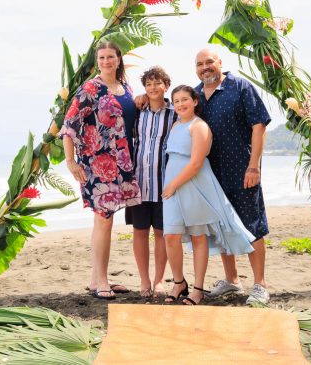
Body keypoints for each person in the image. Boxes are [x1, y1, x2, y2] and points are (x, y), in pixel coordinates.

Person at [60, 41, 141, 300]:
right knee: (104, 220)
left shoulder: (126, 88)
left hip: (123, 163)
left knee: (104, 221)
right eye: (102, 57)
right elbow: (69, 126)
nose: (106, 61)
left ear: (119, 59)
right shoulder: (91, 89)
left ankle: (97, 279)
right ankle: (102, 281)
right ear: (97, 61)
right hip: (97, 165)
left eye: (110, 57)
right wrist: (70, 161)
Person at [161, 85, 256, 306]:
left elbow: (196, 163)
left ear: (195, 101)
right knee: (171, 236)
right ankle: (179, 282)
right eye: (176, 101)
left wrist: (173, 184)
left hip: (194, 185)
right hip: (172, 185)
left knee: (198, 236)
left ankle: (198, 289)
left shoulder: (199, 126)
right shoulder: (175, 125)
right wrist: (170, 184)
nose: (180, 104)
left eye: (185, 99)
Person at [194, 48, 273, 305]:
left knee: (252, 225)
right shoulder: (195, 95)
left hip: (242, 170)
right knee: (221, 227)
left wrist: (254, 166)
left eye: (209, 62)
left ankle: (260, 284)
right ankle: (232, 280)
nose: (205, 67)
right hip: (210, 173)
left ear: (220, 63)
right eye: (199, 64)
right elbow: (175, 110)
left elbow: (259, 125)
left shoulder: (240, 87)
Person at [126, 66, 176, 298]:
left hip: (164, 183)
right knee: (139, 232)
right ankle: (144, 280)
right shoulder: (137, 112)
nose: (153, 87)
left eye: (157, 83)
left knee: (161, 233)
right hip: (138, 182)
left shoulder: (175, 113)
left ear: (166, 86)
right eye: (148, 84)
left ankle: (159, 280)